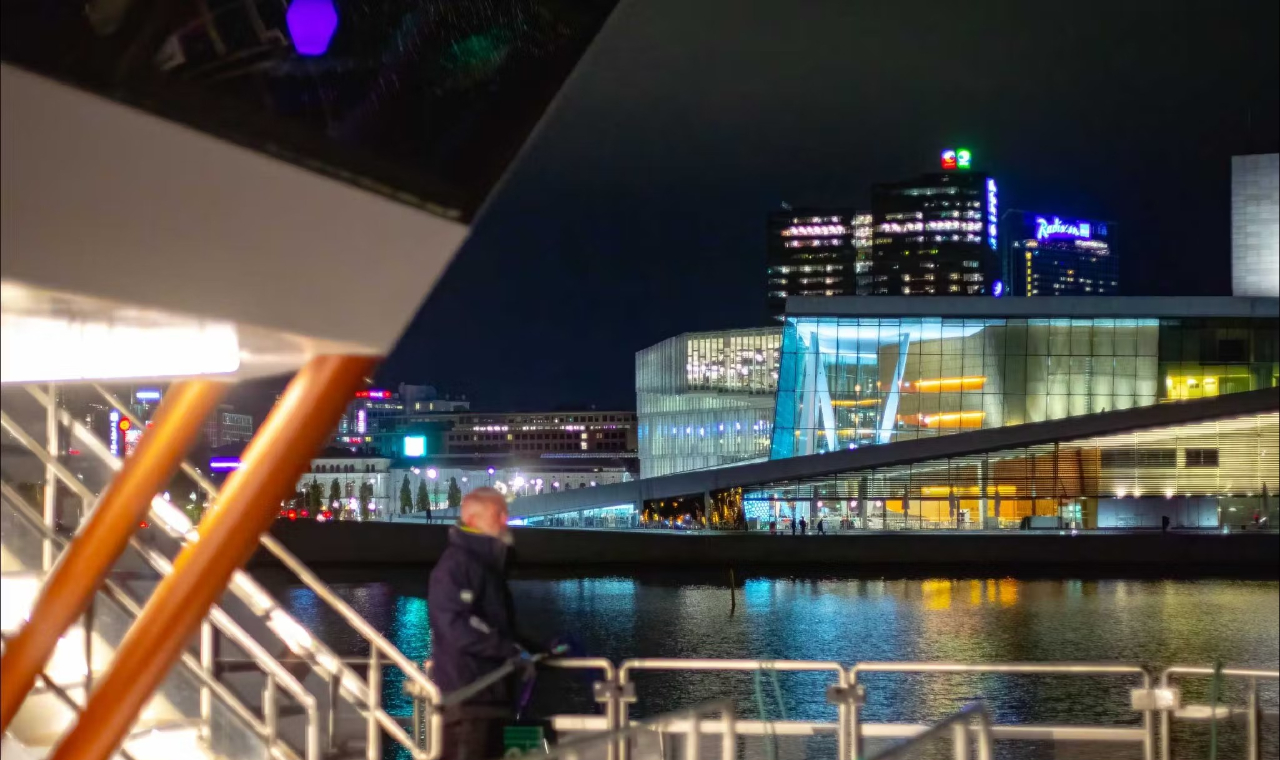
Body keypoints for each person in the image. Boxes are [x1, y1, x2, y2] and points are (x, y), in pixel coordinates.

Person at [429, 488, 540, 760]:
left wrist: (530, 648)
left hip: (494, 699)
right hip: (468, 700)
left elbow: (492, 626)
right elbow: (455, 625)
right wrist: (511, 650)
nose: (505, 520)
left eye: (505, 513)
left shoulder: (485, 565)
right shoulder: (456, 566)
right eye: (497, 514)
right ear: (472, 519)